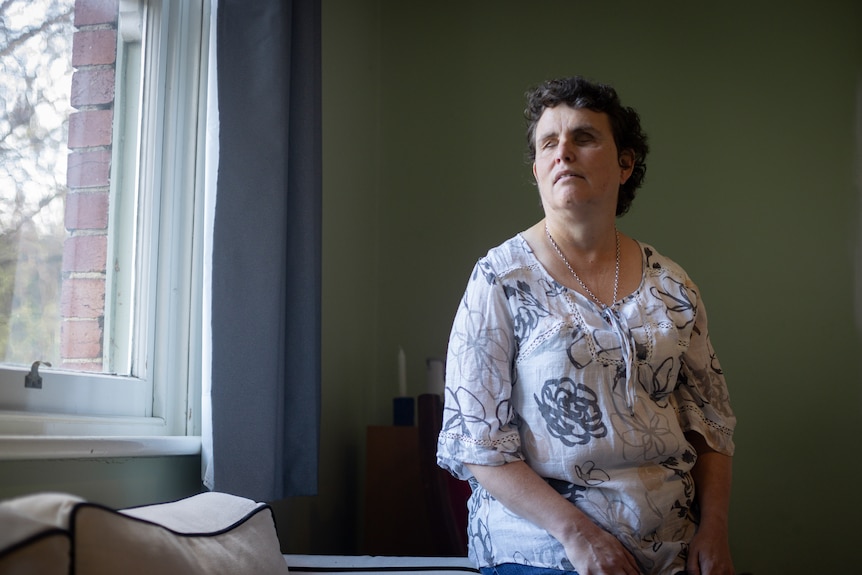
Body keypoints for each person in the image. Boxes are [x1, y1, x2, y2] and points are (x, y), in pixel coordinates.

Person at [436, 76, 736, 575]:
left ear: (625, 164)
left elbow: (712, 425)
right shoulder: (499, 279)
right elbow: (478, 446)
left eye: (584, 137)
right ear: (536, 169)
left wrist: (714, 530)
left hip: (672, 548)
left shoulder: (673, 285)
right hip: (543, 548)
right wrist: (580, 536)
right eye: (549, 143)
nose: (564, 152)